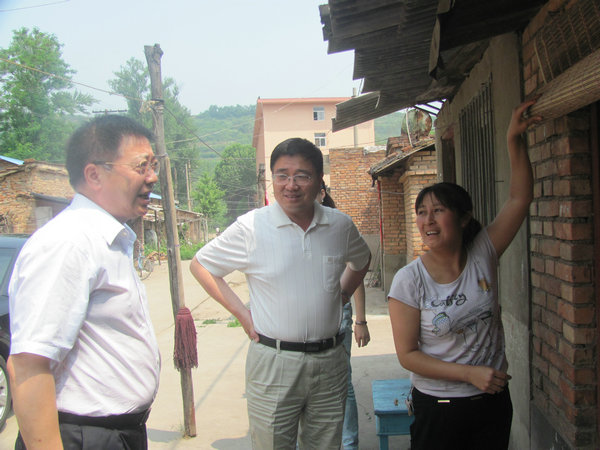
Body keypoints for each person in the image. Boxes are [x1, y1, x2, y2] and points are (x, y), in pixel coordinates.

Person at [190, 138, 371, 450]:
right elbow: (201, 265)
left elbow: (362, 259)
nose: (291, 185)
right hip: (273, 362)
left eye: (302, 175)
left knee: (326, 445)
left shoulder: (339, 226)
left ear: (319, 180)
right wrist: (242, 314)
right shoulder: (251, 227)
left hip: (329, 361)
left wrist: (342, 294)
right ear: (271, 179)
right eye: (282, 175)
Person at [388, 99, 541, 450]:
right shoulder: (409, 280)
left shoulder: (483, 253)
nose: (427, 220)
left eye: (438, 210)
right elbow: (408, 355)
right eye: (421, 212)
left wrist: (513, 140)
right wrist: (469, 374)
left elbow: (519, 199)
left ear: (463, 217)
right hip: (438, 405)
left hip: (492, 402)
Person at [8, 115, 162, 450]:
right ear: (94, 175)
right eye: (141, 166)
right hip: (81, 436)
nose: (152, 177)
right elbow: (28, 366)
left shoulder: (110, 239)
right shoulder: (69, 243)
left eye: (154, 165)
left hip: (116, 433)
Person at [319, 182, 370, 450]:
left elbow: (358, 271)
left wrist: (360, 320)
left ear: (321, 193)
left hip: (340, 311)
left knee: (342, 380)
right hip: (308, 315)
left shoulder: (339, 226)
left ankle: (349, 444)